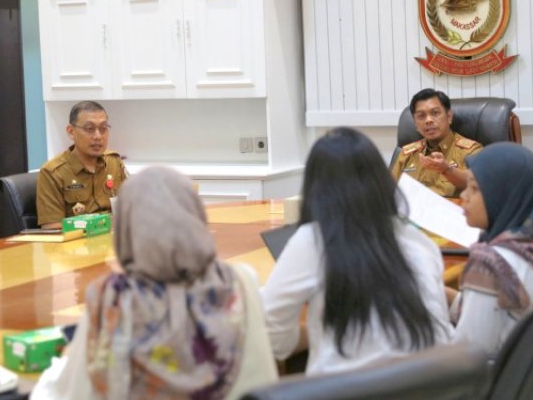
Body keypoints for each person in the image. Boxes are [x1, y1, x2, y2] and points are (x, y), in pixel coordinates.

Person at [31, 166, 277, 399]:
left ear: (125, 228)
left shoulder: (110, 299)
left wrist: (68, 358)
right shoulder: (240, 282)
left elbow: (70, 394)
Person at [261, 127, 452, 375]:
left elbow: (272, 333)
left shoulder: (314, 240)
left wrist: (315, 332)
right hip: (438, 383)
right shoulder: (417, 240)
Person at [453, 142, 533, 354]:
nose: (463, 196)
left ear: (506, 195)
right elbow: (502, 310)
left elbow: (465, 355)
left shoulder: (490, 263)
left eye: (474, 188)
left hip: (494, 382)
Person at [36, 101, 127, 229]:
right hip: (76, 246)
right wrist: (98, 226)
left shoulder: (114, 162)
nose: (98, 136)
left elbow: (130, 210)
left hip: (114, 242)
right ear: (71, 131)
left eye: (103, 129)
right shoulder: (53, 172)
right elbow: (52, 227)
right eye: (89, 129)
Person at [391, 88, 482, 197]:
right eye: (421, 116)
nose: (428, 120)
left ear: (449, 117)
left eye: (435, 113)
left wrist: (446, 169)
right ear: (415, 123)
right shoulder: (407, 154)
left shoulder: (470, 151)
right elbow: (390, 191)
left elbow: (479, 187)